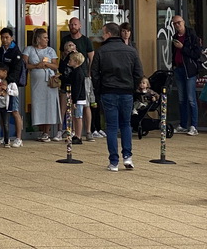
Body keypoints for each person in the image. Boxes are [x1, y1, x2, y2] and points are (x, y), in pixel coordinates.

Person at [90, 22, 145, 171]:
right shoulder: (131, 51)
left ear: (108, 34)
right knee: (126, 124)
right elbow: (139, 73)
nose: (102, 35)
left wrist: (100, 89)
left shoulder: (101, 51)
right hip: (126, 91)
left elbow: (94, 73)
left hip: (108, 91)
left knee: (112, 127)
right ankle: (127, 157)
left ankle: (114, 161)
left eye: (103, 32)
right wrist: (132, 87)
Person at [60, 18, 96, 141]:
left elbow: (91, 57)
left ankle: (88, 131)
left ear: (80, 25)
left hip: (83, 76)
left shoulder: (86, 40)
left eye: (75, 24)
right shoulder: (65, 39)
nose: (72, 26)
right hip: (69, 76)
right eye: (70, 24)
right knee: (67, 104)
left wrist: (89, 73)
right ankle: (65, 130)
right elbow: (62, 57)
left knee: (84, 105)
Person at [24, 29, 61, 142]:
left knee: (49, 105)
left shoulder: (50, 50)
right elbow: (24, 65)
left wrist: (46, 64)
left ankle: (47, 132)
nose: (47, 39)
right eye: (44, 37)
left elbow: (55, 66)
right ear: (38, 39)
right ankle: (40, 130)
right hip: (36, 83)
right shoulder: (29, 49)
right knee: (38, 105)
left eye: (47, 37)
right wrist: (36, 66)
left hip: (49, 82)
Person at [0, 27, 24, 146]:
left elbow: (17, 70)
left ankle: (19, 138)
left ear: (12, 38)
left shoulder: (16, 52)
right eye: (2, 37)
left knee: (14, 110)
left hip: (11, 85)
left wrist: (8, 81)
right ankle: (1, 137)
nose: (4, 40)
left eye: (7, 37)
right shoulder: (0, 51)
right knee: (0, 111)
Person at [170, 15, 201, 135]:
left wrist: (183, 48)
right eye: (174, 24)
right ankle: (183, 124)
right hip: (178, 69)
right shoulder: (174, 37)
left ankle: (194, 125)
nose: (177, 25)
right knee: (181, 99)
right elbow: (174, 53)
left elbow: (196, 53)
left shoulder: (191, 36)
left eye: (179, 23)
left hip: (189, 70)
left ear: (183, 22)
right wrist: (173, 65)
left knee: (191, 98)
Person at [61, 51, 87, 143]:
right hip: (77, 98)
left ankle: (78, 136)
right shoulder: (76, 71)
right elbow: (70, 80)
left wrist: (74, 100)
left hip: (78, 98)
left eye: (71, 60)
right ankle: (76, 134)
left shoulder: (78, 73)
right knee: (76, 116)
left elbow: (77, 87)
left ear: (76, 61)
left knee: (78, 117)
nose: (69, 61)